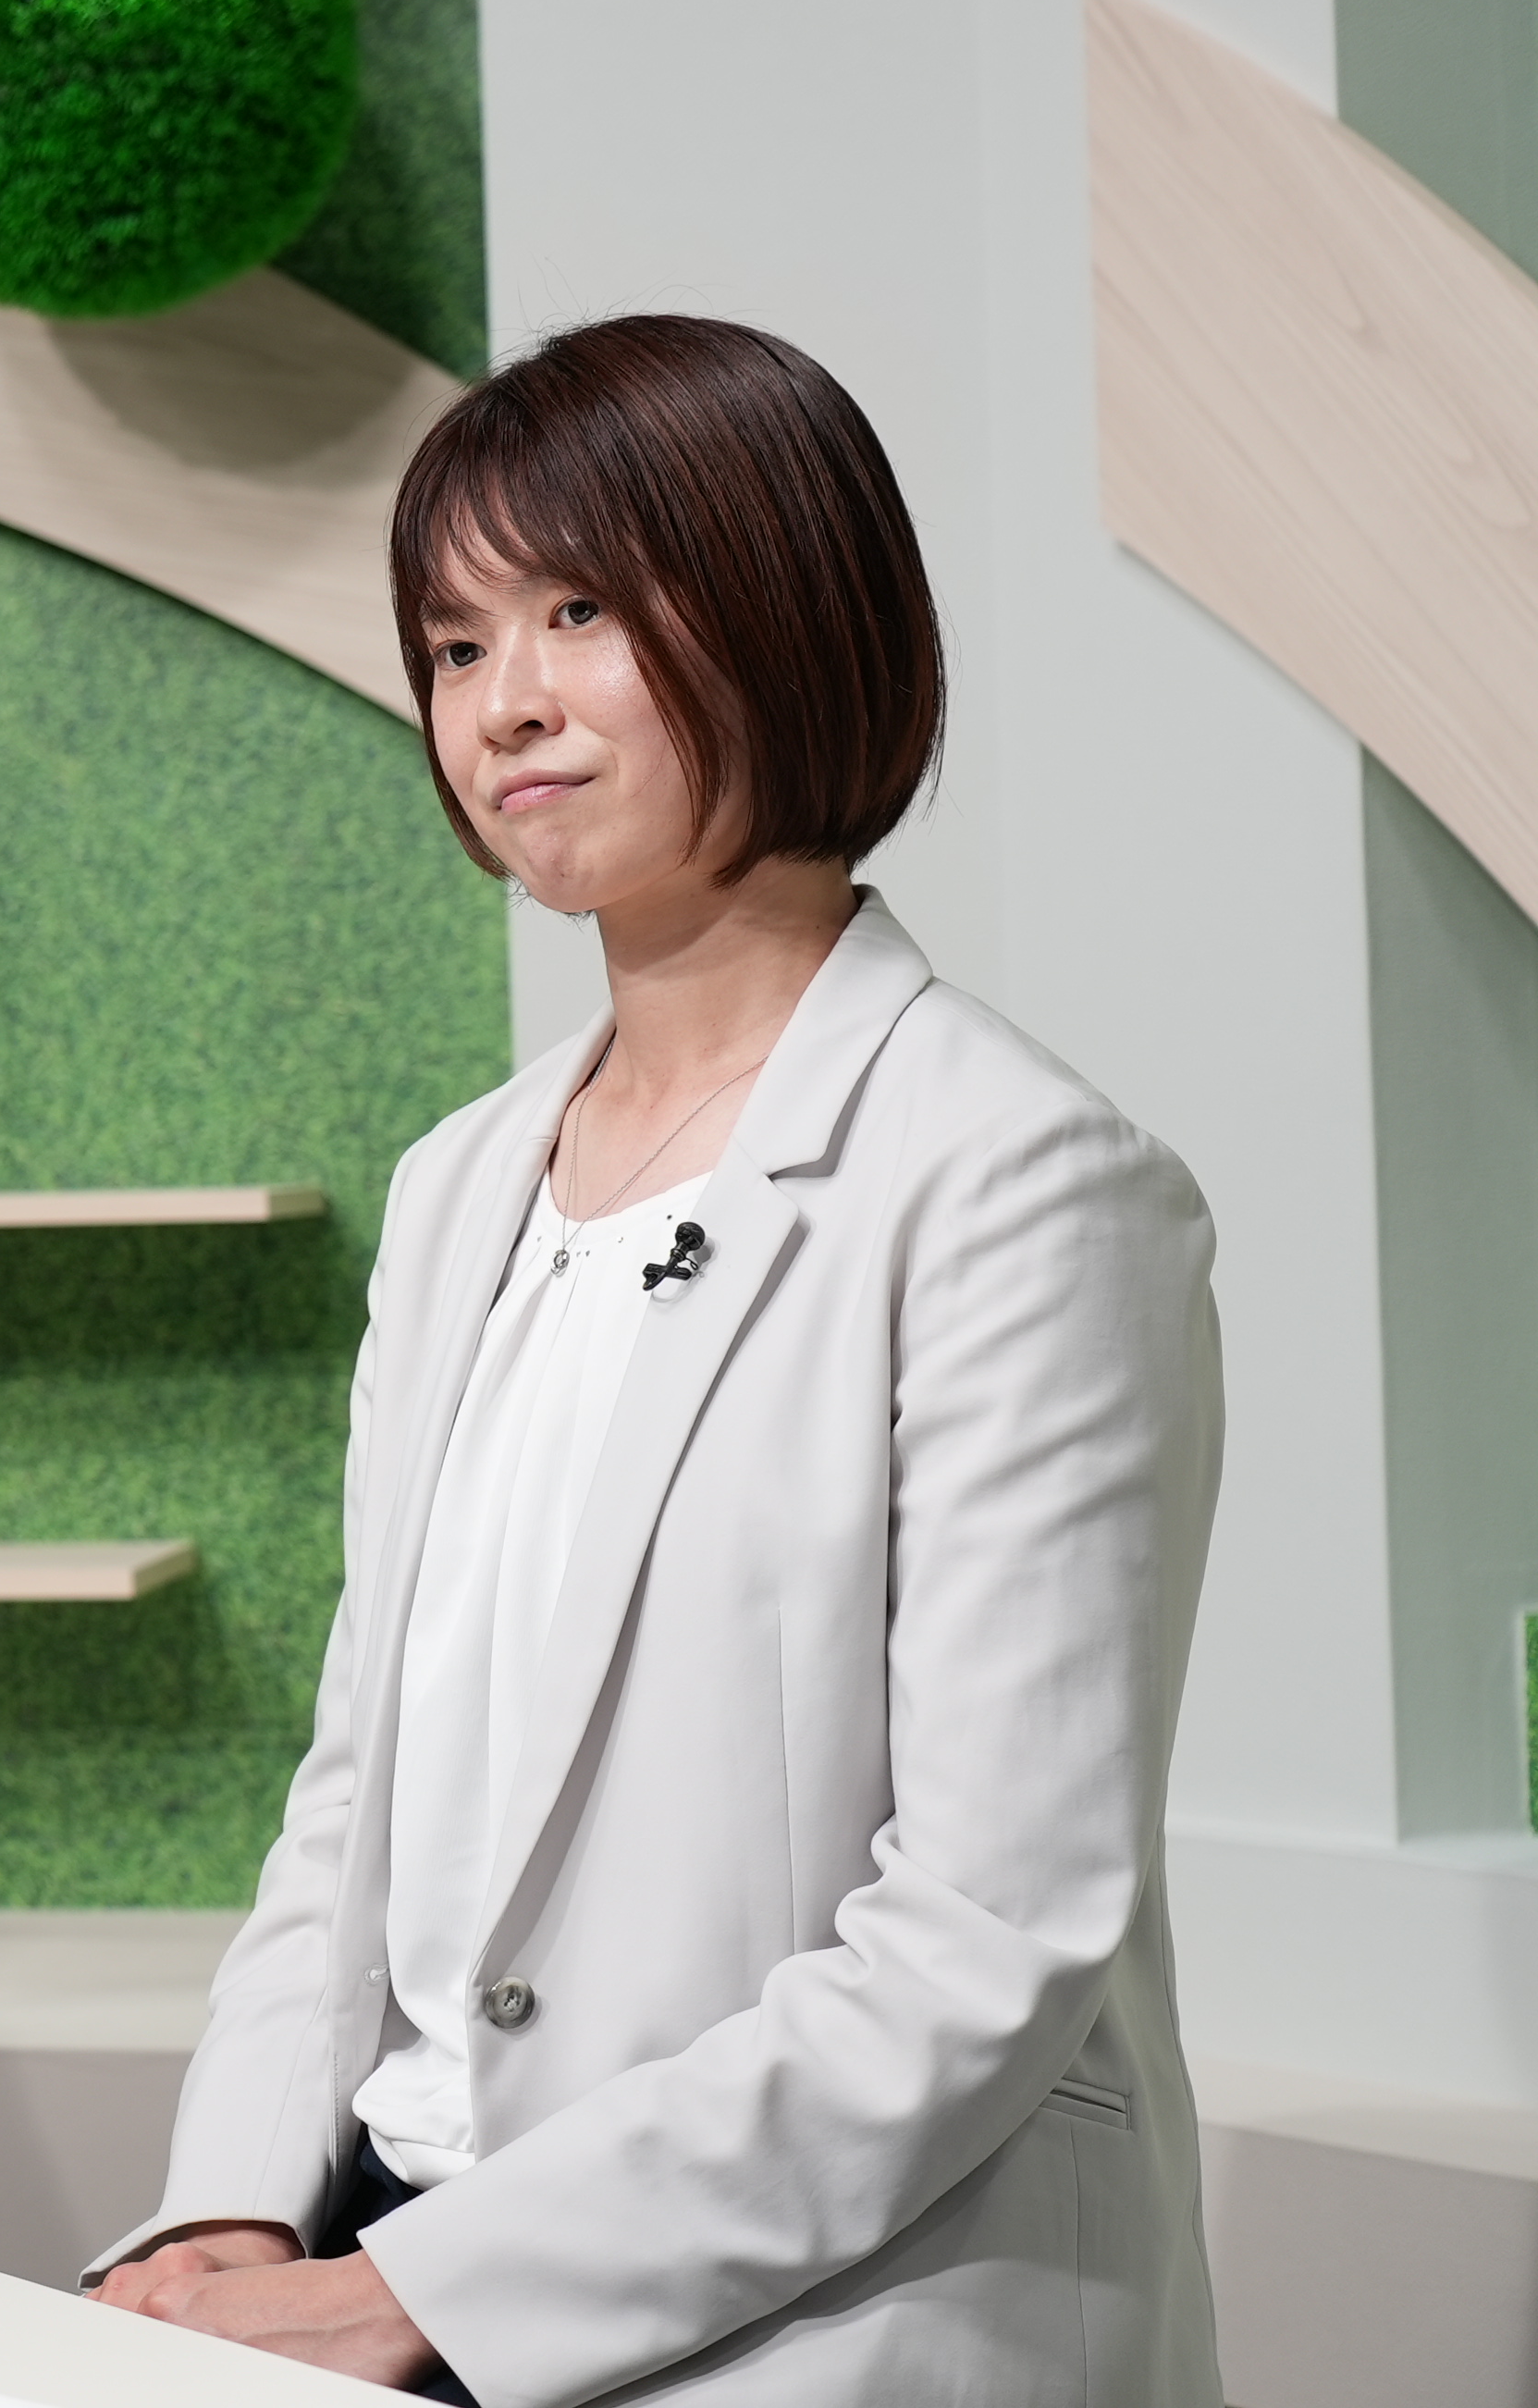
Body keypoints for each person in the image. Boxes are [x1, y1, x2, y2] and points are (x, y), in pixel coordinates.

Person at [89, 317, 1222, 2401]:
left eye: (578, 612)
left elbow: (987, 1936)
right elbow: (353, 1802)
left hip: (826, 2320)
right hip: (378, 2243)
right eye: (452, 644)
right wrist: (231, 2211)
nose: (502, 700)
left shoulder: (1022, 1184)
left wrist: (416, 2299)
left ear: (792, 613)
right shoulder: (458, 1185)